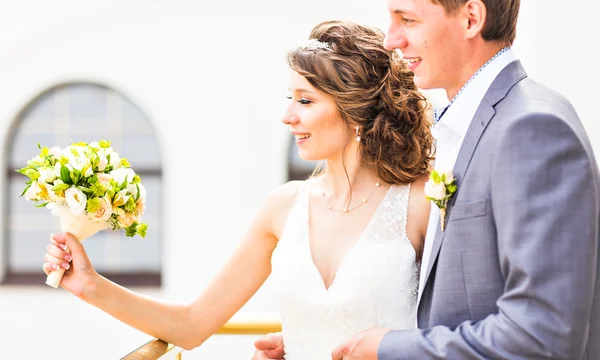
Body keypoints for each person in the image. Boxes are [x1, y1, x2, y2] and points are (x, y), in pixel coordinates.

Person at [253, 0, 600, 359]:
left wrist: (392, 349)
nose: (391, 40)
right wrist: (319, 336)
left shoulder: (531, 129)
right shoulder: (474, 124)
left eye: (408, 19)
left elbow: (542, 335)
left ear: (471, 18)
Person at [43, 20, 434, 359]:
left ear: (354, 110)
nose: (288, 116)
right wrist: (90, 285)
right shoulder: (283, 207)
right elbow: (194, 324)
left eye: (305, 100)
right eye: (289, 99)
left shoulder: (420, 203)